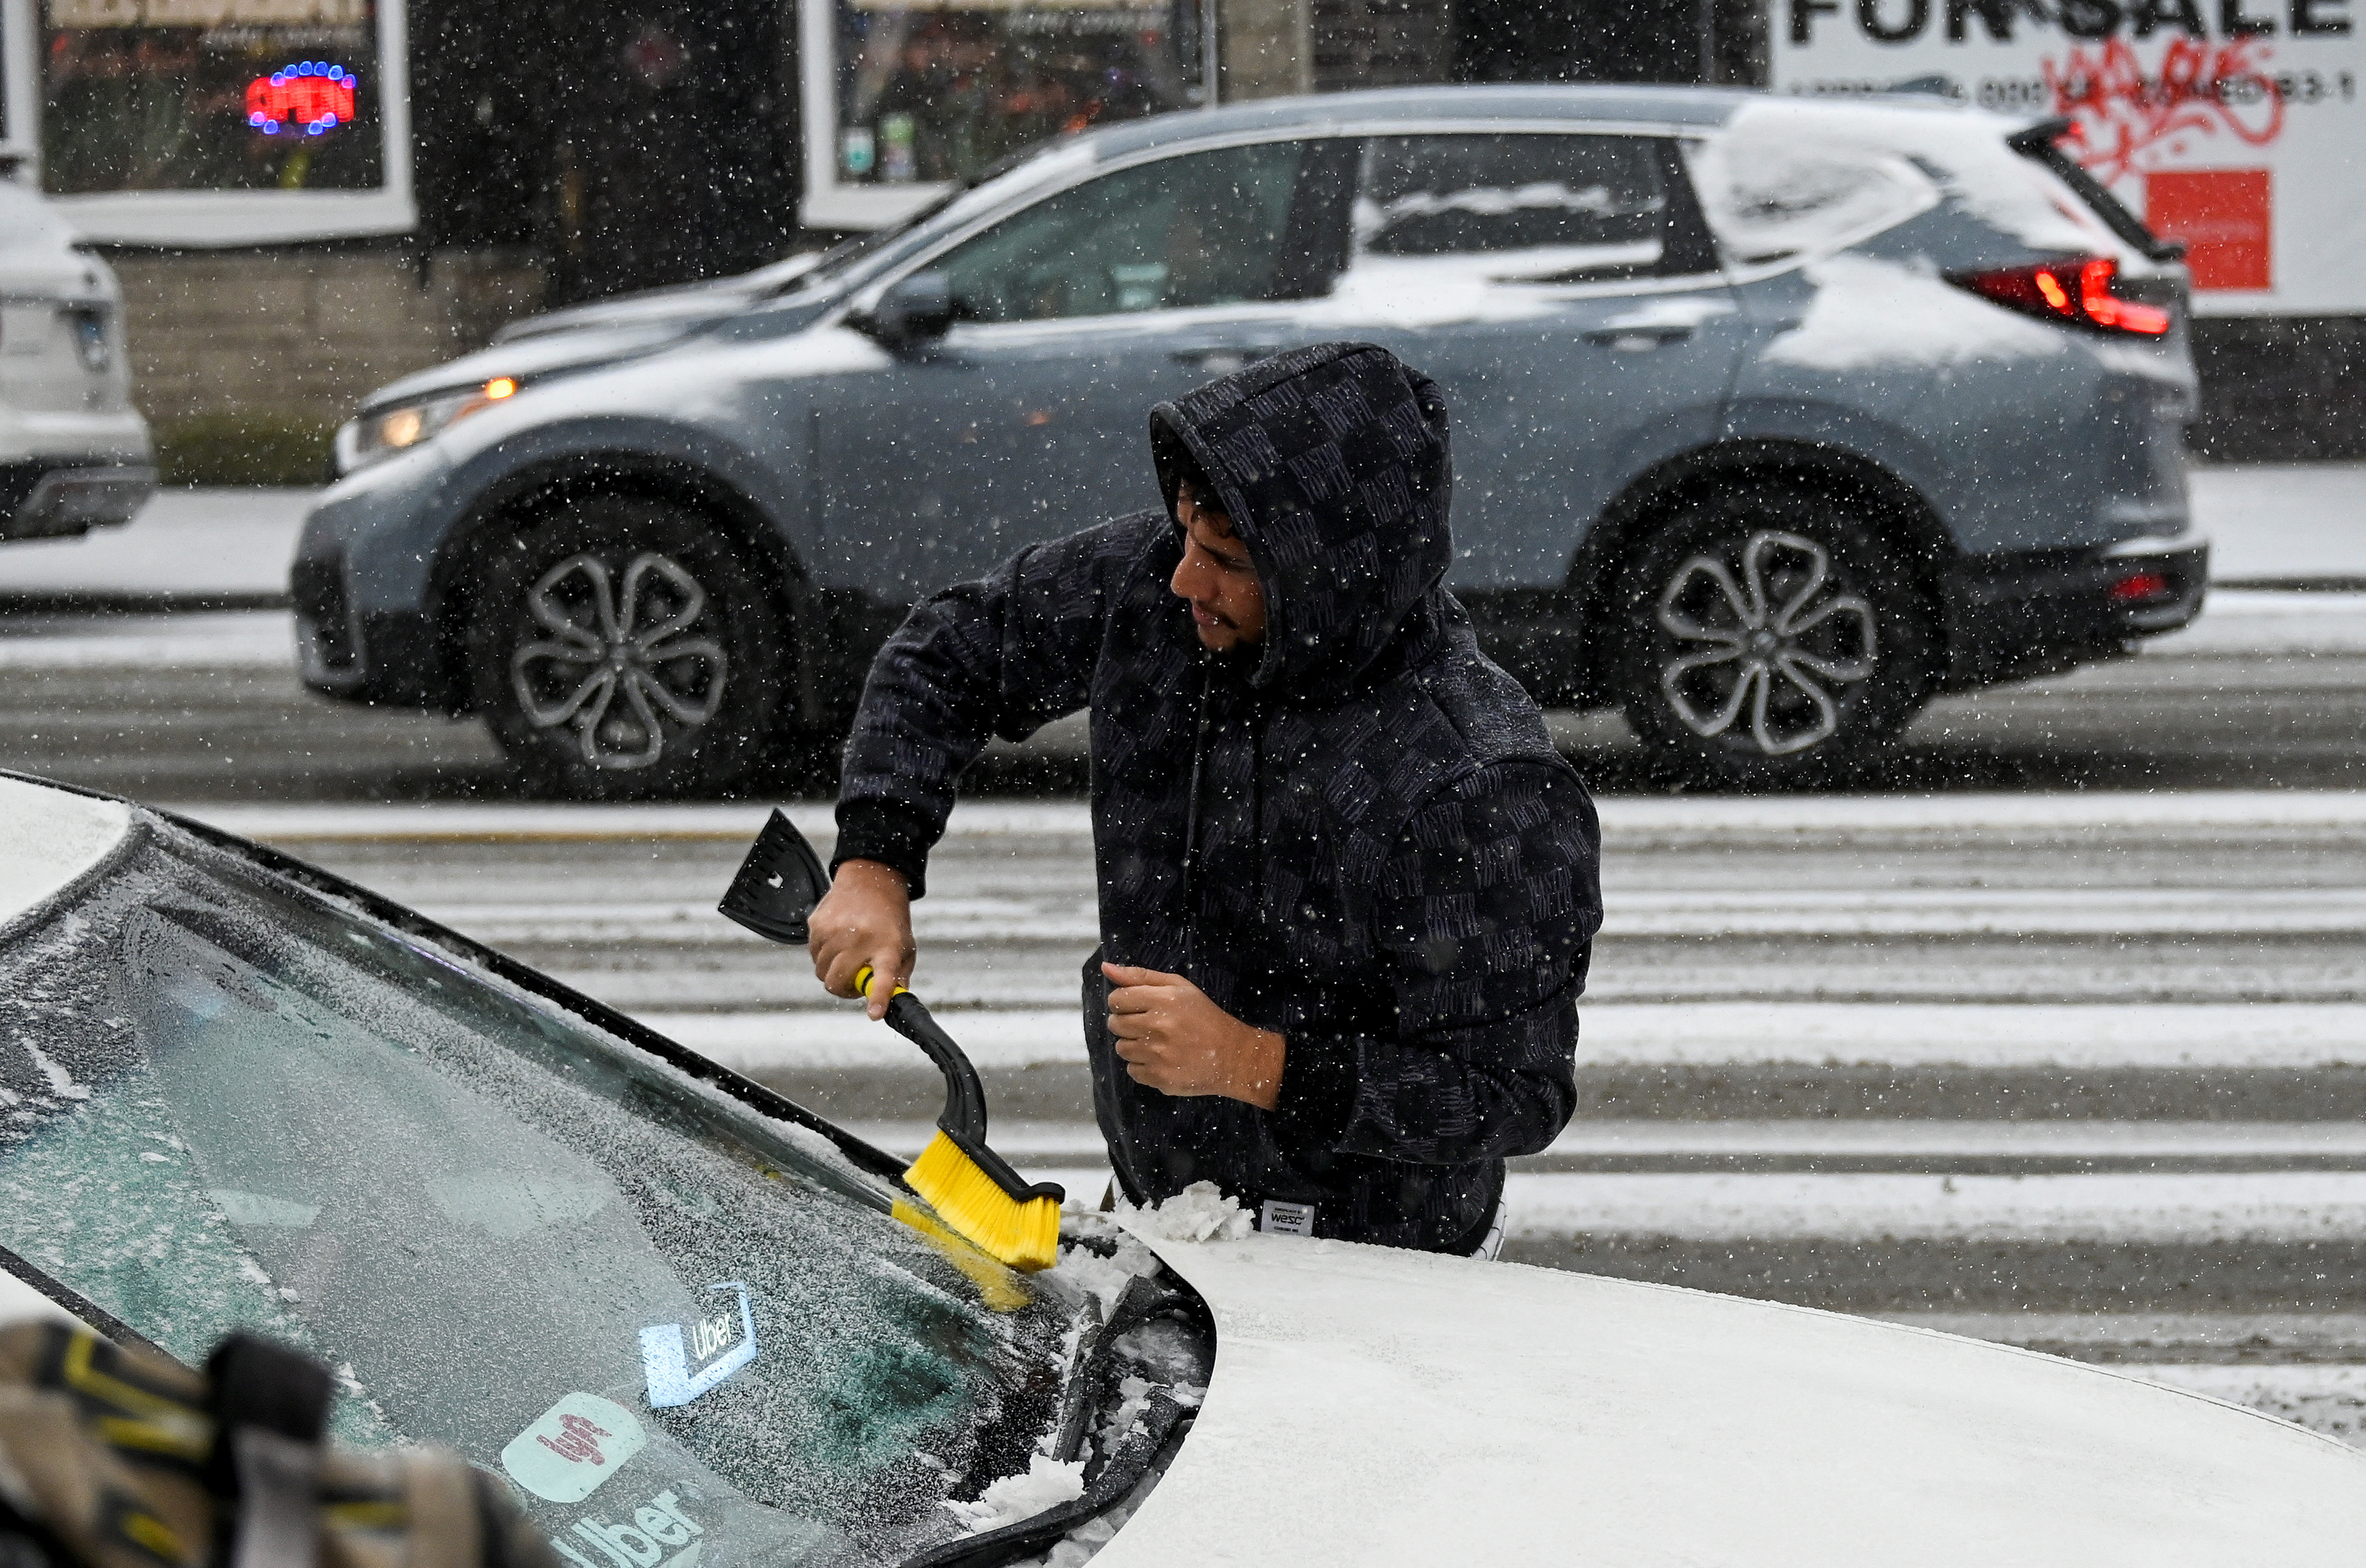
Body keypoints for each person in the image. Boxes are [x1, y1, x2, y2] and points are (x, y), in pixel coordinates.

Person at [809, 341, 1602, 1255]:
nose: (1184, 576)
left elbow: (1512, 1091)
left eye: (1224, 557)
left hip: (1383, 1257)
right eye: (1185, 532)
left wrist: (1257, 1064)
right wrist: (875, 860)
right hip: (1162, 1202)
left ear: (1326, 576)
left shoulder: (1477, 783)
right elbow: (948, 653)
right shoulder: (1159, 593)